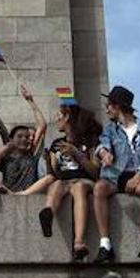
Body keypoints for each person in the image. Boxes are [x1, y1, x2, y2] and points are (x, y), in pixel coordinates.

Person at [92, 84, 140, 263]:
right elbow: (102, 144)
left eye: (109, 105)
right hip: (114, 176)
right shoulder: (110, 129)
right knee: (99, 188)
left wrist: (138, 176)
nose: (107, 109)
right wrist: (104, 153)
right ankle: (105, 244)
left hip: (138, 175)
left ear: (118, 106)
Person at [38, 101, 101, 261]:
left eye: (59, 115)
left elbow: (95, 171)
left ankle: (79, 242)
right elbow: (54, 173)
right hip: (64, 180)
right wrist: (47, 161)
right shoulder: (56, 144)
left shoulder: (89, 142)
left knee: (78, 188)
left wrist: (77, 154)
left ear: (68, 117)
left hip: (84, 180)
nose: (56, 118)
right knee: (56, 184)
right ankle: (48, 212)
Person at [0, 85, 49, 194]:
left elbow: (42, 125)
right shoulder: (7, 157)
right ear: (11, 139)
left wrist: (30, 101)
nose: (24, 139)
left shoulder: (31, 154)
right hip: (8, 193)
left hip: (27, 194)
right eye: (19, 136)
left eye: (27, 137)